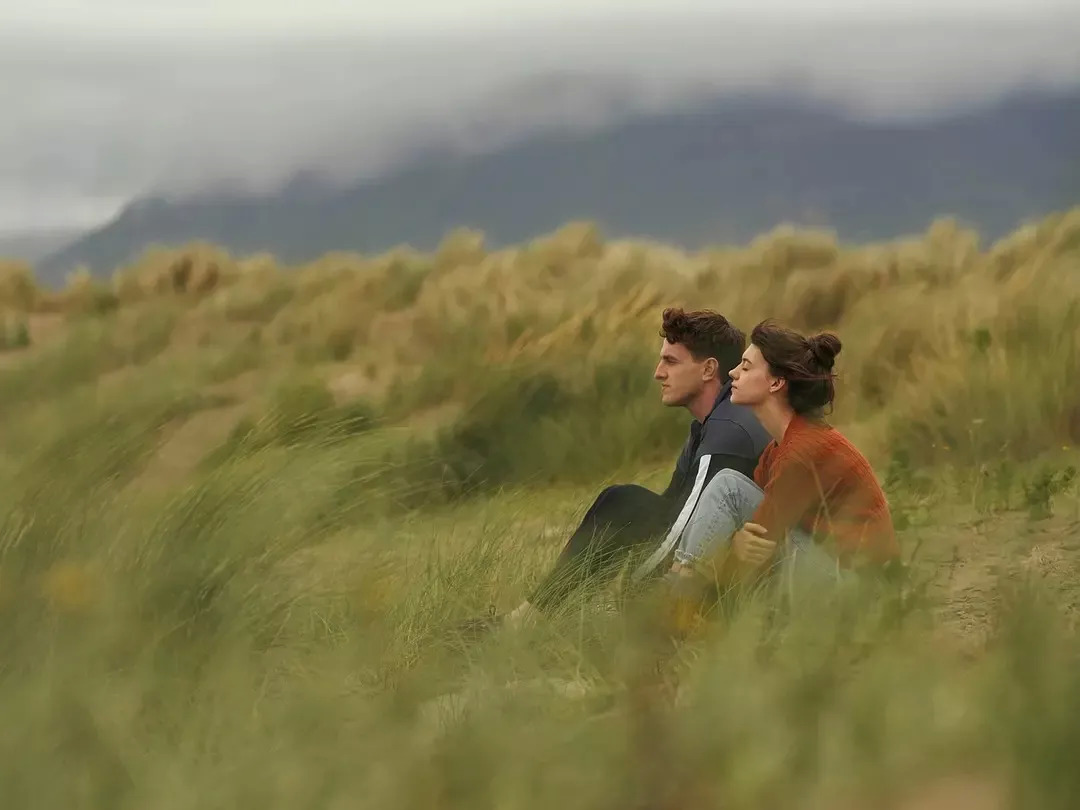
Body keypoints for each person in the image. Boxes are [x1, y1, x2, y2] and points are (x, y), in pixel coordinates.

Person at [463, 307, 772, 635]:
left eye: (670, 361)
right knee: (625, 503)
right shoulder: (710, 425)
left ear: (708, 369)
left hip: (745, 585)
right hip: (721, 572)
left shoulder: (728, 430)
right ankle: (534, 618)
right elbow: (672, 509)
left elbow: (688, 534)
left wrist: (635, 599)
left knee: (625, 504)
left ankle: (529, 622)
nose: (658, 373)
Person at [656, 318, 900, 635]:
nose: (733, 374)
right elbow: (755, 540)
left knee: (729, 487)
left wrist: (737, 550)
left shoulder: (803, 450)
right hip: (828, 573)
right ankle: (686, 603)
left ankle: (681, 599)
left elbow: (758, 543)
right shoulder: (777, 450)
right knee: (735, 498)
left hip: (861, 594)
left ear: (775, 384)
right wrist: (738, 545)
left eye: (745, 367)